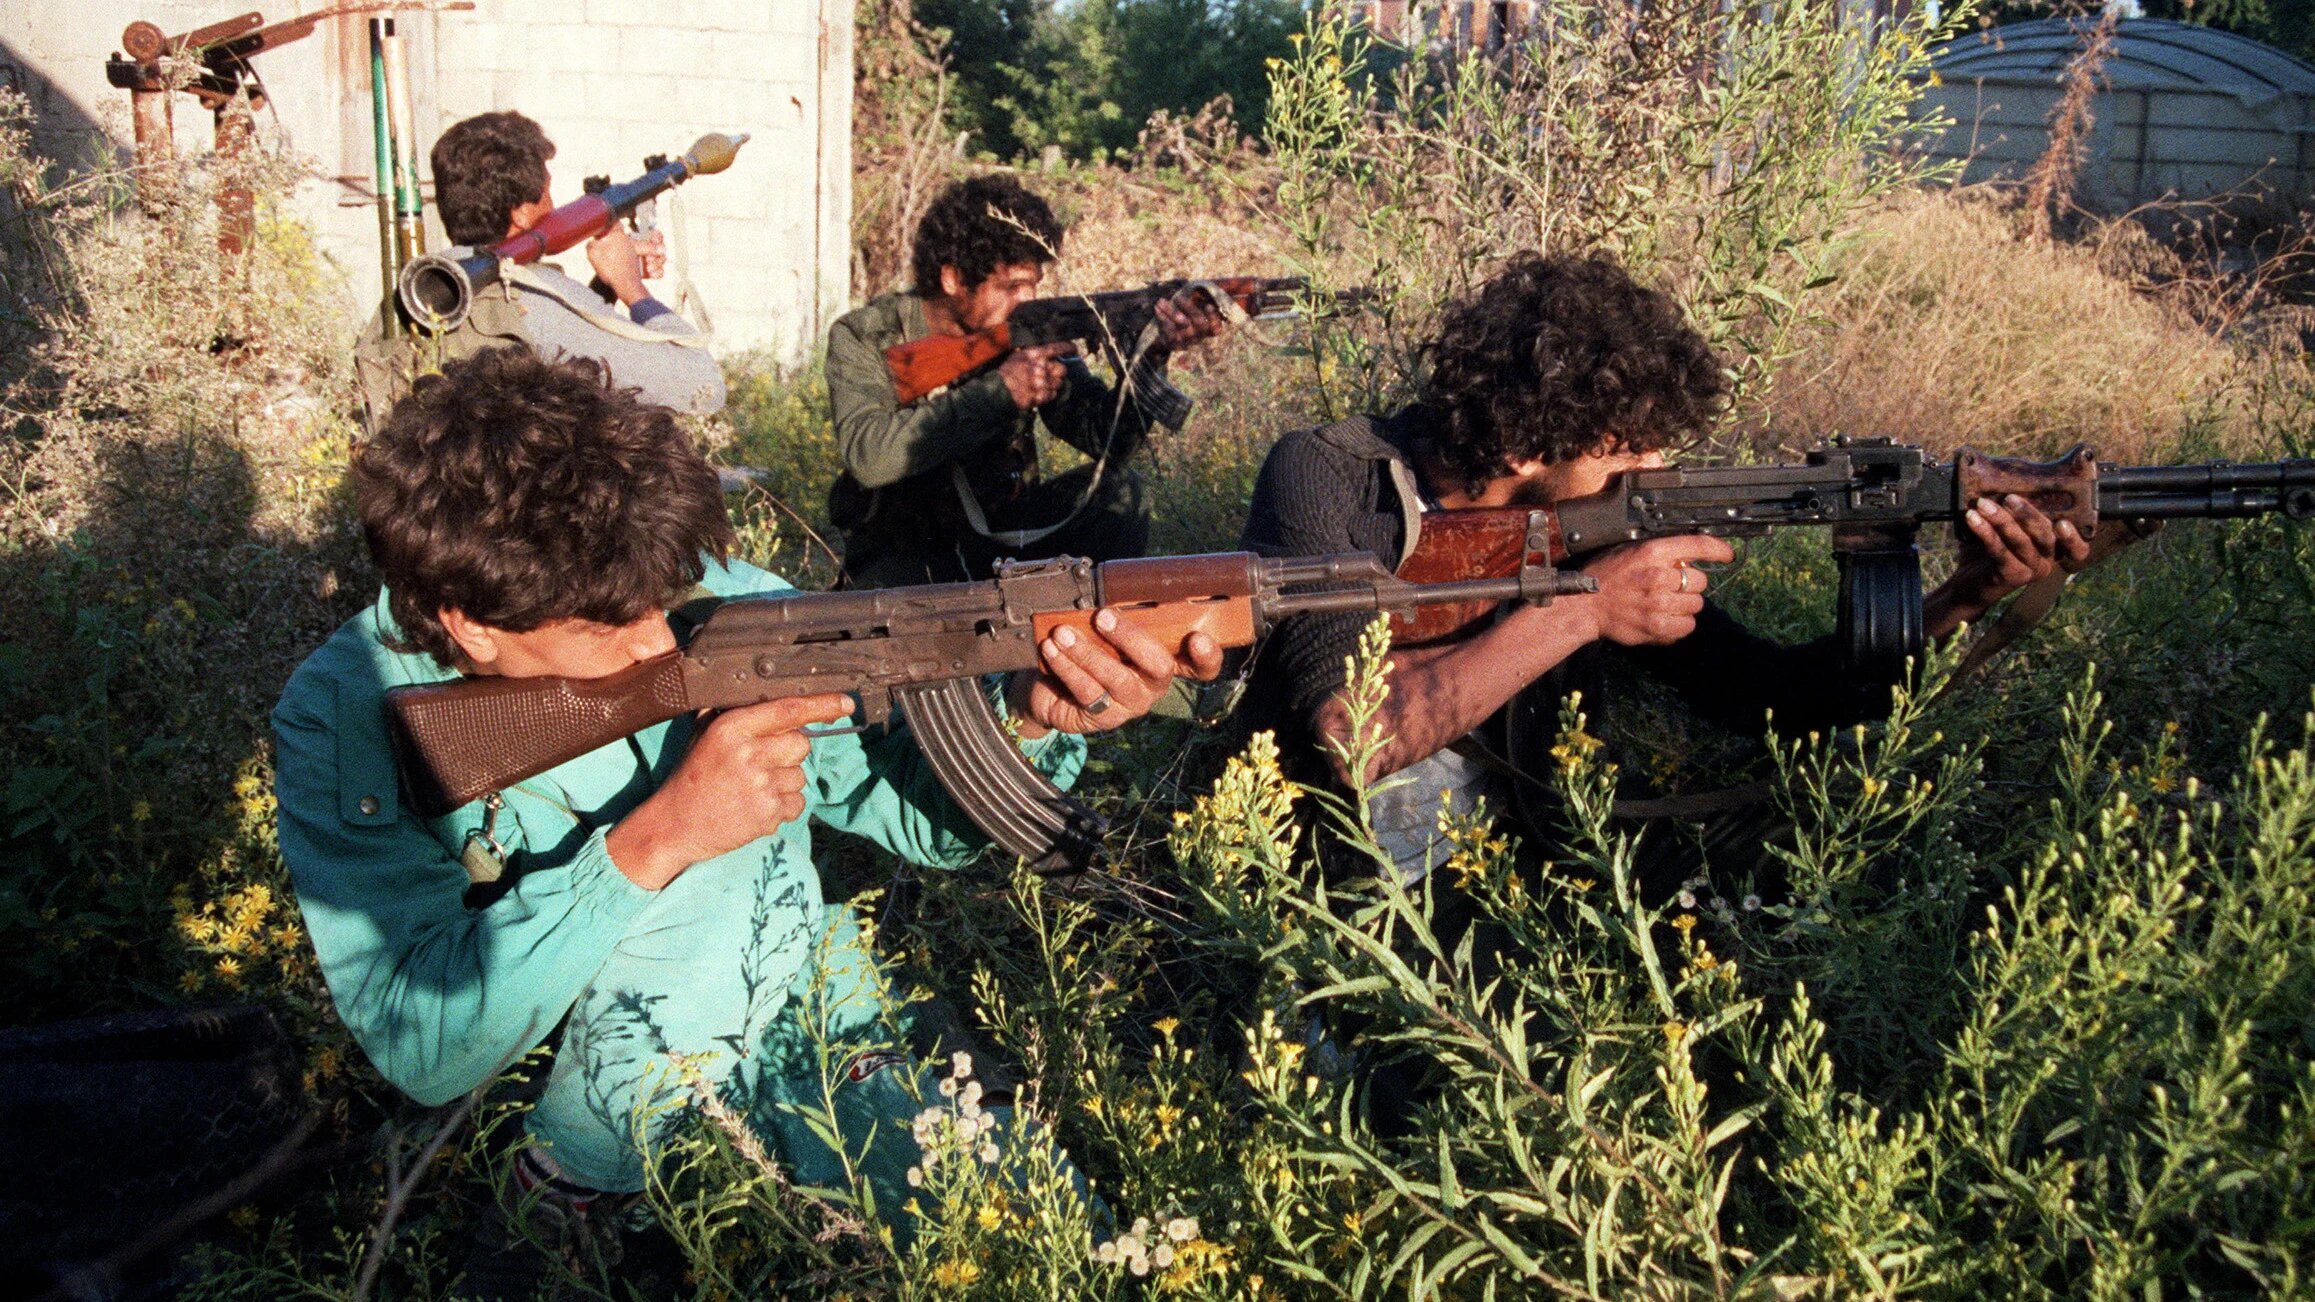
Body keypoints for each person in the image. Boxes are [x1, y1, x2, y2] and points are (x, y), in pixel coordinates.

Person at [274, 347, 1219, 1284]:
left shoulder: (724, 607)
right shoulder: (349, 715)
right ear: (470, 622)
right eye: (610, 627)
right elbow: (424, 1045)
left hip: (808, 1015)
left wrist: (1018, 719)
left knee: (1054, 1247)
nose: (660, 642)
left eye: (662, 597)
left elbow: (919, 822)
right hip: (575, 1104)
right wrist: (661, 836)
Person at [1237, 251, 2089, 886]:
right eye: (1628, 448)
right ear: (1526, 442)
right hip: (1322, 883)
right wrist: (1582, 611)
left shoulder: (1597, 524)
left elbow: (1765, 697)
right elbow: (1351, 735)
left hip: (1531, 870)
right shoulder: (1331, 475)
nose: (1654, 469)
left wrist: (1964, 596)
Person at [824, 175, 1227, 588]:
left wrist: (1152, 350)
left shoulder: (1030, 326)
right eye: (1012, 287)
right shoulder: (868, 336)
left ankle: (1087, 636)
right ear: (953, 279)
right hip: (903, 552)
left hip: (1007, 538)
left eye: (1034, 284)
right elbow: (869, 456)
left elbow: (1106, 439)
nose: (1029, 301)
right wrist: (1000, 392)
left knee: (1121, 492)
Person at [354, 111, 726, 427]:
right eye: (548, 190)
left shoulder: (418, 289)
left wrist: (605, 285)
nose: (554, 202)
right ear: (521, 213)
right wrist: (633, 291)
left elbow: (562, 358)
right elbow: (701, 389)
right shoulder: (526, 297)